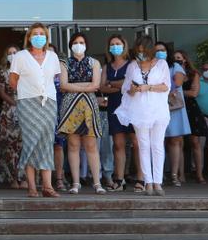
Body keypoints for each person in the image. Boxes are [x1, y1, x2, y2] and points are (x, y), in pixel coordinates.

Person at [115, 35, 172, 194]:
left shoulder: (161, 64)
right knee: (143, 145)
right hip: (139, 111)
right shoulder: (133, 65)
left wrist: (148, 87)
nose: (141, 55)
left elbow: (166, 86)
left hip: (158, 110)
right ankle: (148, 182)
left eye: (143, 51)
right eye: (138, 52)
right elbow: (126, 88)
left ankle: (158, 182)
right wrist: (132, 90)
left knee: (157, 145)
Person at [10, 24, 61, 198]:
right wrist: (27, 91)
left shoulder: (53, 57)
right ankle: (31, 186)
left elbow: (53, 78)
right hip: (28, 103)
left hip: (48, 103)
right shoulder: (20, 56)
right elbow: (13, 80)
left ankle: (47, 186)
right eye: (35, 34)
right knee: (31, 141)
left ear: (46, 37)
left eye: (42, 34)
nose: (38, 37)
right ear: (29, 37)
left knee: (47, 142)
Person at [57, 33, 104, 195]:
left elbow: (96, 85)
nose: (79, 45)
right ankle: (75, 183)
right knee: (73, 145)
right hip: (70, 107)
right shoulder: (64, 63)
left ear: (86, 44)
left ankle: (97, 183)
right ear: (71, 45)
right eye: (75, 42)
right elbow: (63, 85)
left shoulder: (94, 62)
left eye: (82, 42)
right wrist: (86, 87)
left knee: (91, 145)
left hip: (89, 107)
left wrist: (75, 86)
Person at [100, 36, 132, 192]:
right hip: (114, 107)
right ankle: (119, 179)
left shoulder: (132, 64)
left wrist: (112, 84)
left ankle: (141, 179)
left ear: (124, 45)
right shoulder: (107, 67)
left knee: (137, 145)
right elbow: (102, 87)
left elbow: (132, 84)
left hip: (132, 107)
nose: (115, 46)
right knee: (118, 145)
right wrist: (122, 85)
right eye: (112, 44)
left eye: (118, 44)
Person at [157, 42, 190, 188]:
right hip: (157, 107)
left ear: (167, 52)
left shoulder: (175, 67)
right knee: (158, 141)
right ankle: (160, 174)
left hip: (173, 108)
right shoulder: (151, 67)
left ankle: (174, 175)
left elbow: (177, 82)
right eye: (157, 50)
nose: (160, 53)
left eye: (162, 50)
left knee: (174, 141)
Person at [175, 49, 206, 184]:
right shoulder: (171, 72)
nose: (177, 60)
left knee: (195, 142)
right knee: (178, 142)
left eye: (179, 57)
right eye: (174, 58)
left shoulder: (193, 74)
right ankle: (181, 175)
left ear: (185, 59)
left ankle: (199, 174)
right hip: (176, 108)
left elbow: (194, 93)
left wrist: (179, 91)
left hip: (191, 109)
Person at [0, 45, 22, 188]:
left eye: (15, 53)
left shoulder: (25, 71)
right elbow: (2, 93)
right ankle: (12, 178)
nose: (12, 55)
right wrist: (14, 103)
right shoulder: (3, 72)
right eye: (9, 53)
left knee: (22, 146)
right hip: (8, 112)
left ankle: (23, 178)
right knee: (9, 146)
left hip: (25, 111)